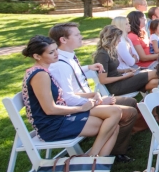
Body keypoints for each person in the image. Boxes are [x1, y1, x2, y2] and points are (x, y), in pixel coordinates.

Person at [47, 23, 137, 162]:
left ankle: (115, 147)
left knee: (131, 102)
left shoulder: (68, 57)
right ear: (63, 40)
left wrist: (88, 67)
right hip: (79, 106)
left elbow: (72, 71)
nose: (81, 36)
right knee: (128, 112)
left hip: (89, 98)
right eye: (76, 35)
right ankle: (111, 152)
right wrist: (98, 102)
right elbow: (67, 98)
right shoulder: (59, 64)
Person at [21, 35, 121, 156]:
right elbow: (50, 109)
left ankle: (92, 160)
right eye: (51, 52)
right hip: (52, 126)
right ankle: (91, 159)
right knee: (112, 125)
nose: (56, 54)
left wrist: (91, 95)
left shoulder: (44, 71)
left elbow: (60, 96)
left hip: (62, 118)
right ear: (37, 56)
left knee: (113, 118)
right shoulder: (40, 75)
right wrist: (82, 108)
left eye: (56, 49)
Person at [93, 26, 159, 94]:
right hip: (116, 86)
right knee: (156, 73)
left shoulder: (110, 51)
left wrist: (125, 70)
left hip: (121, 80)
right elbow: (103, 80)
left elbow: (111, 70)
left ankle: (154, 103)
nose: (119, 40)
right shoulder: (102, 55)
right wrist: (124, 76)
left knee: (156, 82)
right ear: (112, 39)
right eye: (118, 38)